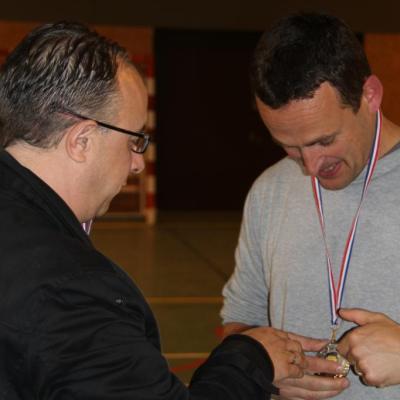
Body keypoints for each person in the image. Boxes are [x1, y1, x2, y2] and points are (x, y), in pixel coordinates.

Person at [0, 21, 325, 399]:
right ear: (82, 140)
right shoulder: (69, 291)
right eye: (135, 140)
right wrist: (253, 357)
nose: (138, 164)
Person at [221, 12, 400, 400]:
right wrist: (260, 367)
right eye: (289, 145)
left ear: (370, 95)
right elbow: (241, 319)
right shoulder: (269, 190)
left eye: (323, 140)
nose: (310, 166)